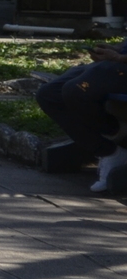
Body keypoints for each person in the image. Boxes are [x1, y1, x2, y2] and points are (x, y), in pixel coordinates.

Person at [35, 40, 127, 192]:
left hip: (120, 67)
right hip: (114, 65)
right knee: (48, 94)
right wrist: (115, 49)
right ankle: (109, 149)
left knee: (75, 90)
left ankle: (114, 133)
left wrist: (118, 57)